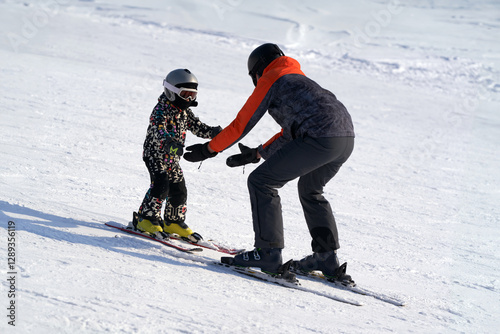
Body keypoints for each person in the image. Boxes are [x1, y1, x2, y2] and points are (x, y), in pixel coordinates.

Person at [184, 43, 355, 280]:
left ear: (258, 71)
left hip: (319, 137)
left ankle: (268, 252)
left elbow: (241, 125)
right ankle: (326, 257)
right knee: (310, 189)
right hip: (345, 138)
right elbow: (291, 132)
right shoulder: (296, 78)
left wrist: (209, 149)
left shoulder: (272, 78)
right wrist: (258, 153)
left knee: (261, 181)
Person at [135, 69, 222, 242]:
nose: (190, 100)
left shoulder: (184, 112)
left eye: (193, 95)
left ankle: (173, 222)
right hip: (155, 156)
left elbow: (197, 126)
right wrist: (170, 144)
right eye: (186, 95)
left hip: (172, 159)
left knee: (179, 190)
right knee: (160, 185)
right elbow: (160, 132)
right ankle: (146, 219)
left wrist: (214, 132)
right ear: (171, 91)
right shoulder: (160, 111)